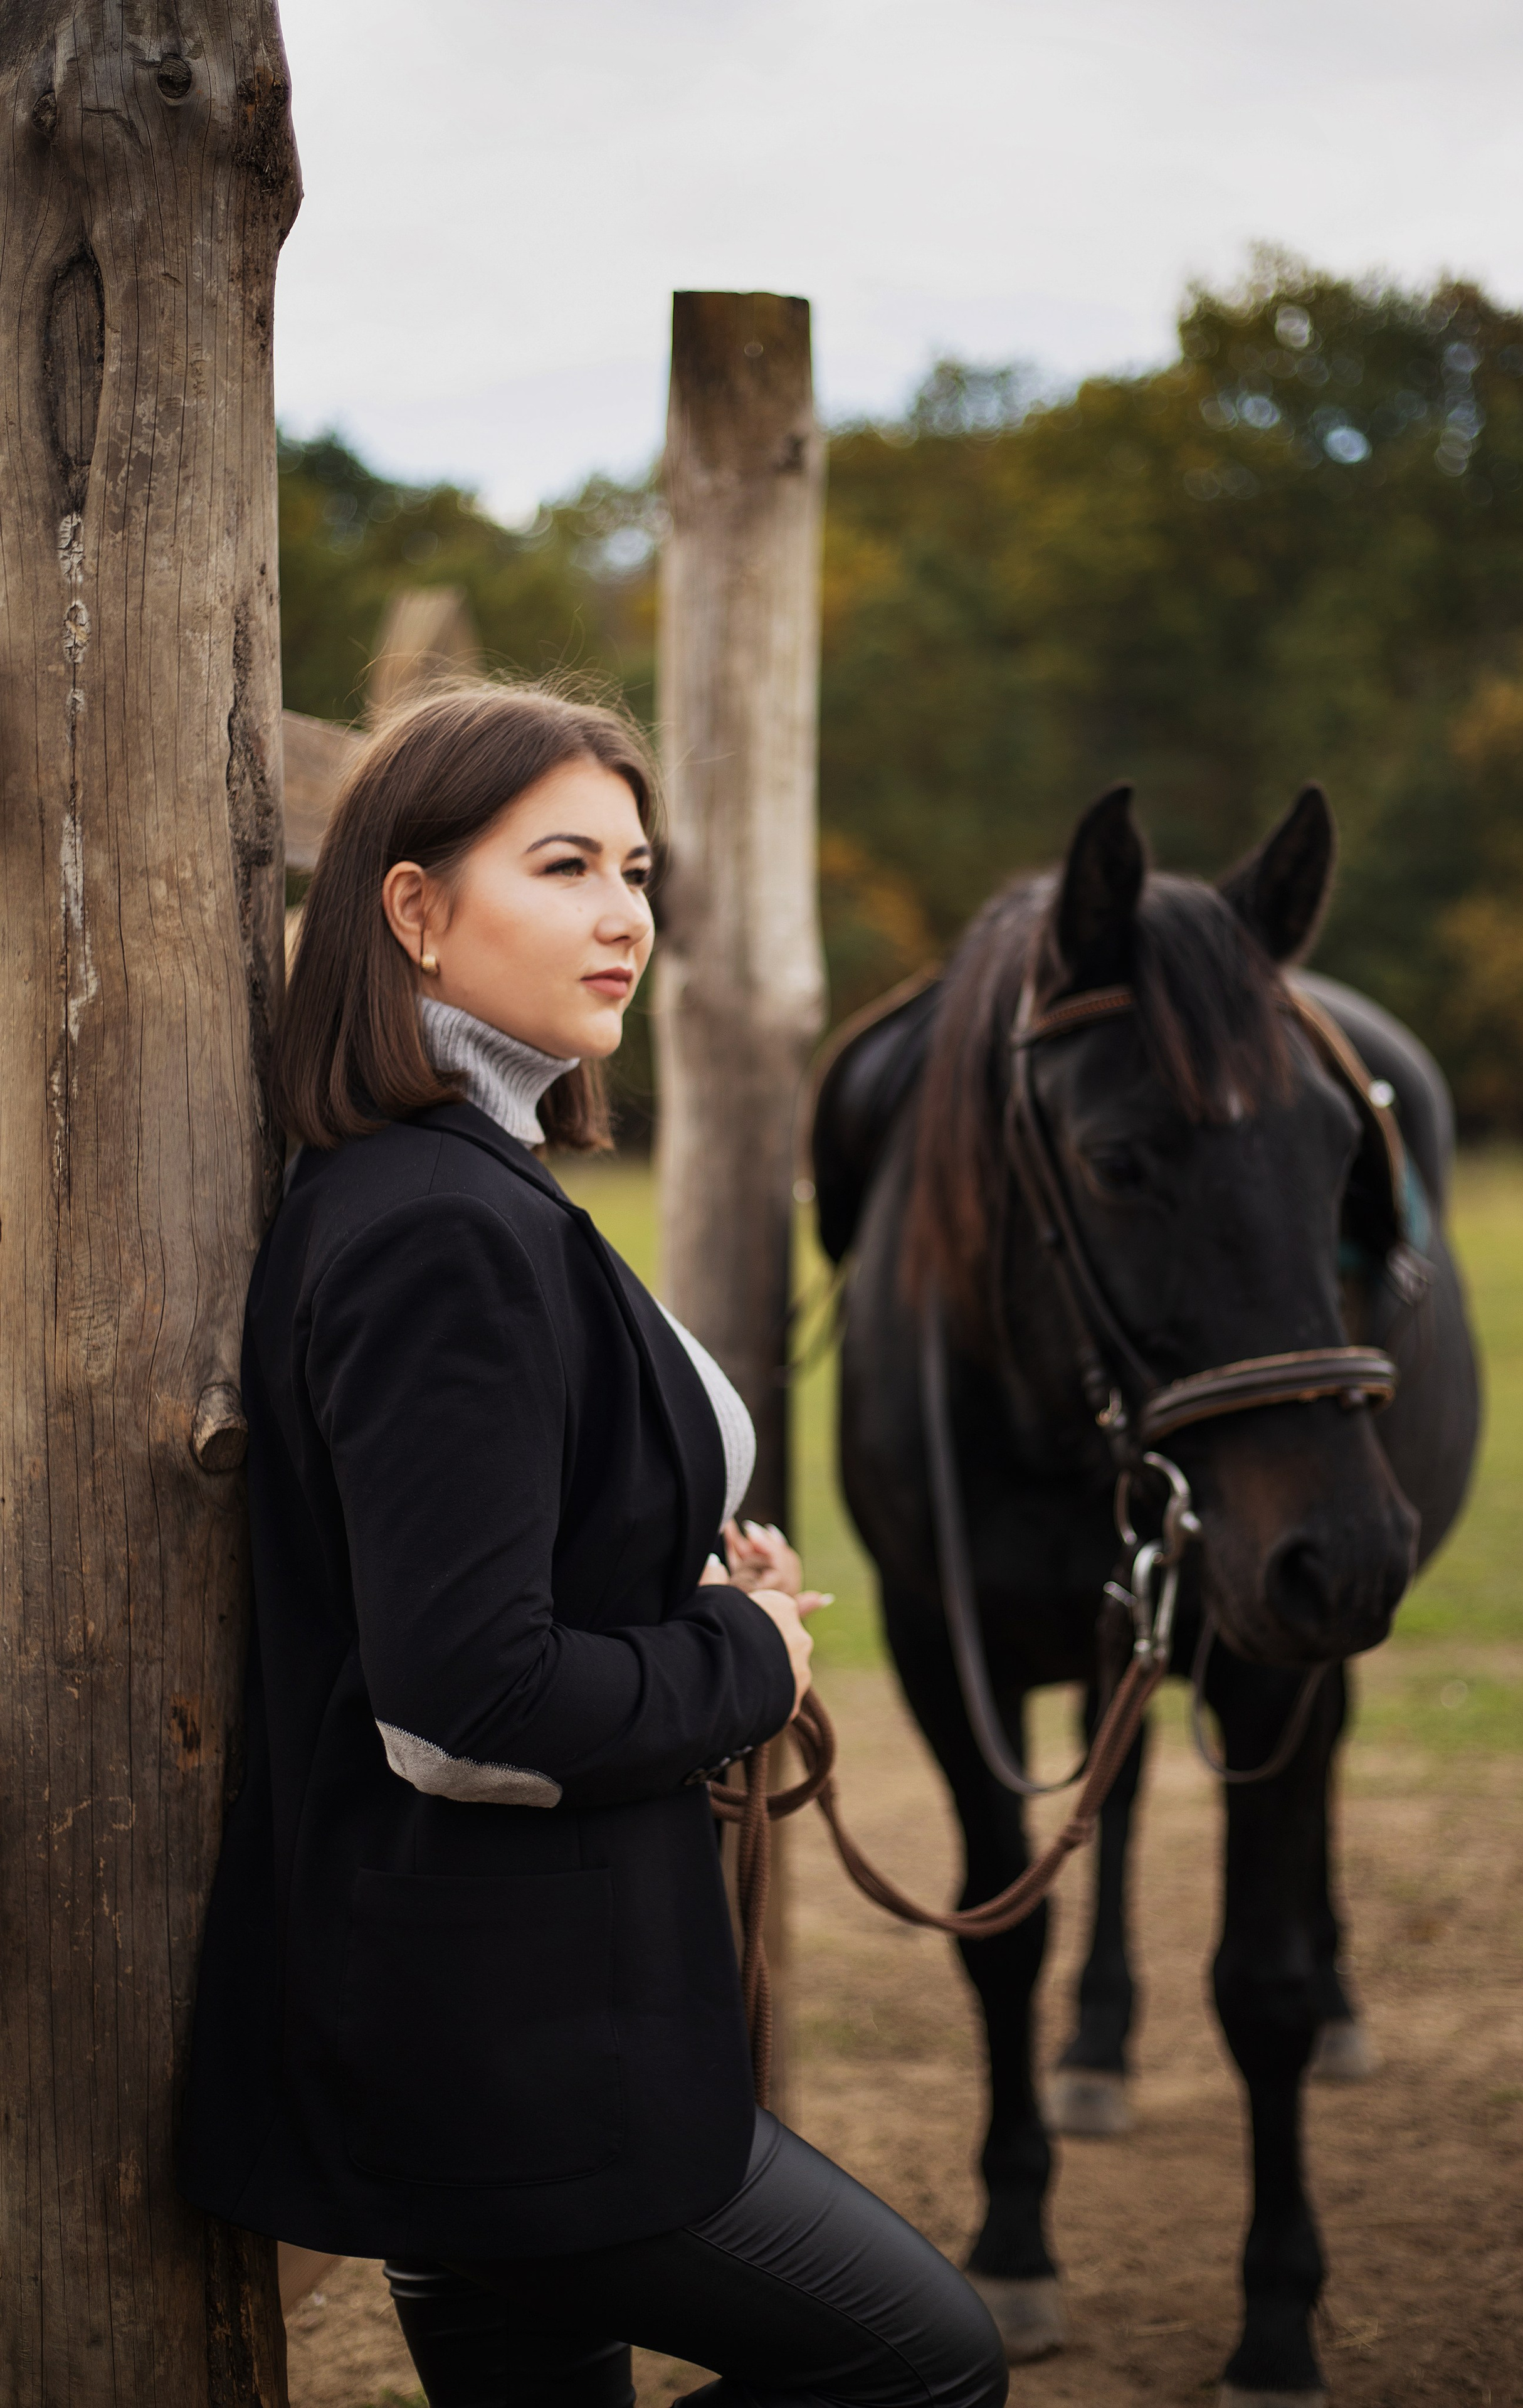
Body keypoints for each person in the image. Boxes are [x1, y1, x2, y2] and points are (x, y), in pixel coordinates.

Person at [179, 684, 1007, 2408]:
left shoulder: (448, 1187)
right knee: (922, 2370)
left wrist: (677, 1586)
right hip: (507, 2057)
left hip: (491, 2027)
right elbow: (463, 1701)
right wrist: (747, 1661)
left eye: (637, 869)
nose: (626, 913)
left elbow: (496, 1575)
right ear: (412, 908)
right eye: (565, 866)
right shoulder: (437, 1232)